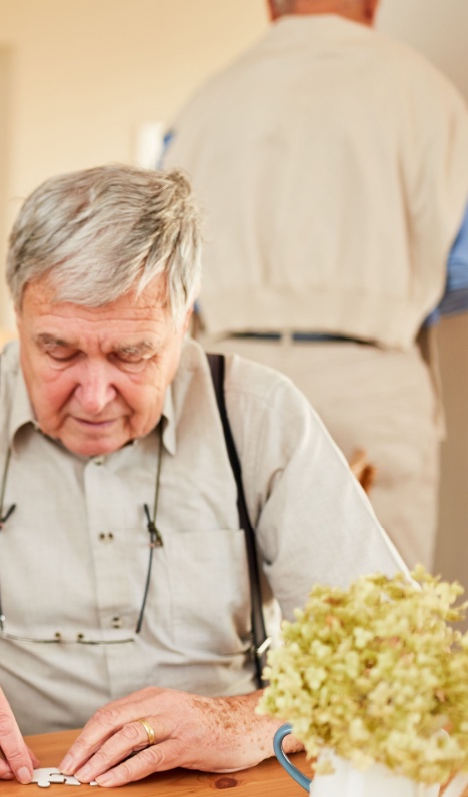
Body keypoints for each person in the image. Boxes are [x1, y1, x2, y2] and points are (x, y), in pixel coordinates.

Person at [0, 164, 405, 792]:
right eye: (59, 351)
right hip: (3, 795)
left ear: (184, 321)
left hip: (225, 793)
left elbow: (392, 651)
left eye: (133, 354)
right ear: (19, 312)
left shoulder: (260, 414)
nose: (96, 395)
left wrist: (239, 721)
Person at [161, 0, 468, 569]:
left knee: (233, 606)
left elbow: (162, 261)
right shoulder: (426, 94)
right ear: (373, 6)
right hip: (372, 373)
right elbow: (463, 264)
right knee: (382, 620)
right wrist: (390, 300)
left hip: (232, 375)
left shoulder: (208, 101)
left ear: (271, 7)